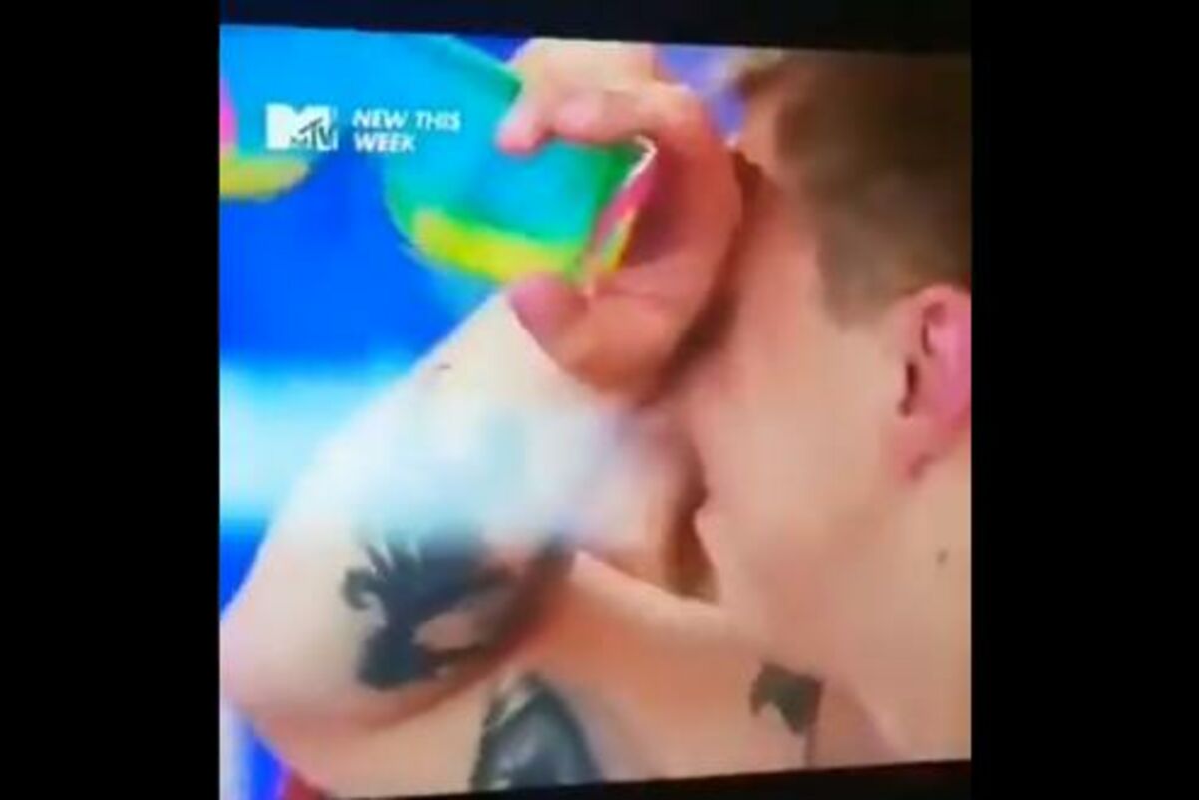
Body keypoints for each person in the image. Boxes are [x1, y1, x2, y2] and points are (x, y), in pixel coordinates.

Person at [221, 38, 971, 797]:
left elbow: (323, 682)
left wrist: (610, 214)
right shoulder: (855, 727)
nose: (673, 387)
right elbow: (300, 675)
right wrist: (614, 259)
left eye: (724, 304)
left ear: (927, 362)